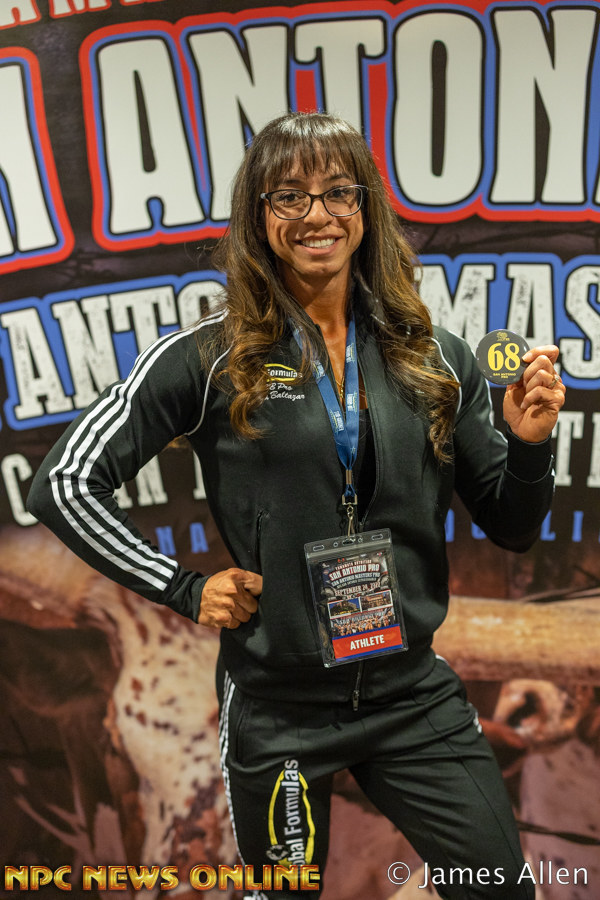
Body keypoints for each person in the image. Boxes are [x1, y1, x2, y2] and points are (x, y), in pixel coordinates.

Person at [27, 112, 565, 899]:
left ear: (365, 207)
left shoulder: (438, 357)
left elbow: (513, 527)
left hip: (412, 697)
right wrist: (181, 587)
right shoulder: (208, 357)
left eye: (338, 192)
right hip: (279, 711)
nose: (318, 215)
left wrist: (529, 445)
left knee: (501, 889)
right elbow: (64, 483)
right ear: (259, 216)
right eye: (289, 196)